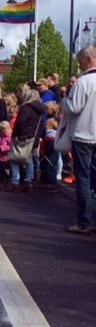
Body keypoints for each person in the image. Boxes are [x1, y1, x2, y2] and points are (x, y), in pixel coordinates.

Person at [61, 45, 96, 234]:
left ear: (88, 60)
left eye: (81, 62)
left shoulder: (83, 82)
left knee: (83, 178)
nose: (79, 65)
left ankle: (84, 221)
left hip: (83, 135)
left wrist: (64, 101)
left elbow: (73, 108)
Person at [4, 85, 44, 193]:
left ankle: (15, 181)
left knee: (14, 158)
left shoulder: (26, 108)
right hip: (32, 136)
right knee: (28, 159)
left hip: (22, 135)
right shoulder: (39, 110)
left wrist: (15, 134)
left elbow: (20, 122)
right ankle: (28, 180)